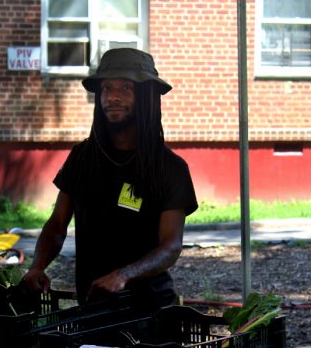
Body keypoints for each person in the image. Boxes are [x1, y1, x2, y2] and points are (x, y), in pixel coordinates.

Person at [21, 48, 197, 305]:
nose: (112, 97)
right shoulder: (82, 157)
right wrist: (37, 266)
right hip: (93, 306)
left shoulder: (171, 167)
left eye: (126, 88)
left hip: (150, 312)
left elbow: (170, 247)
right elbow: (58, 224)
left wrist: (124, 275)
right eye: (106, 88)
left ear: (147, 96)